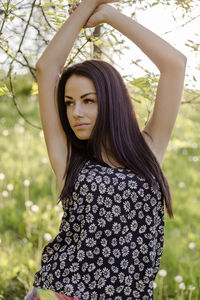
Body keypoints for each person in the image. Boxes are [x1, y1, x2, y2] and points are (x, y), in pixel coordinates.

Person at [25, 0, 187, 299]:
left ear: (111, 101)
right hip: (61, 293)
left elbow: (174, 65)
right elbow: (47, 68)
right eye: (69, 102)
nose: (76, 112)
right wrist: (87, 6)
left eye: (89, 100)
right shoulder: (69, 160)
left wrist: (109, 15)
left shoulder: (148, 150)